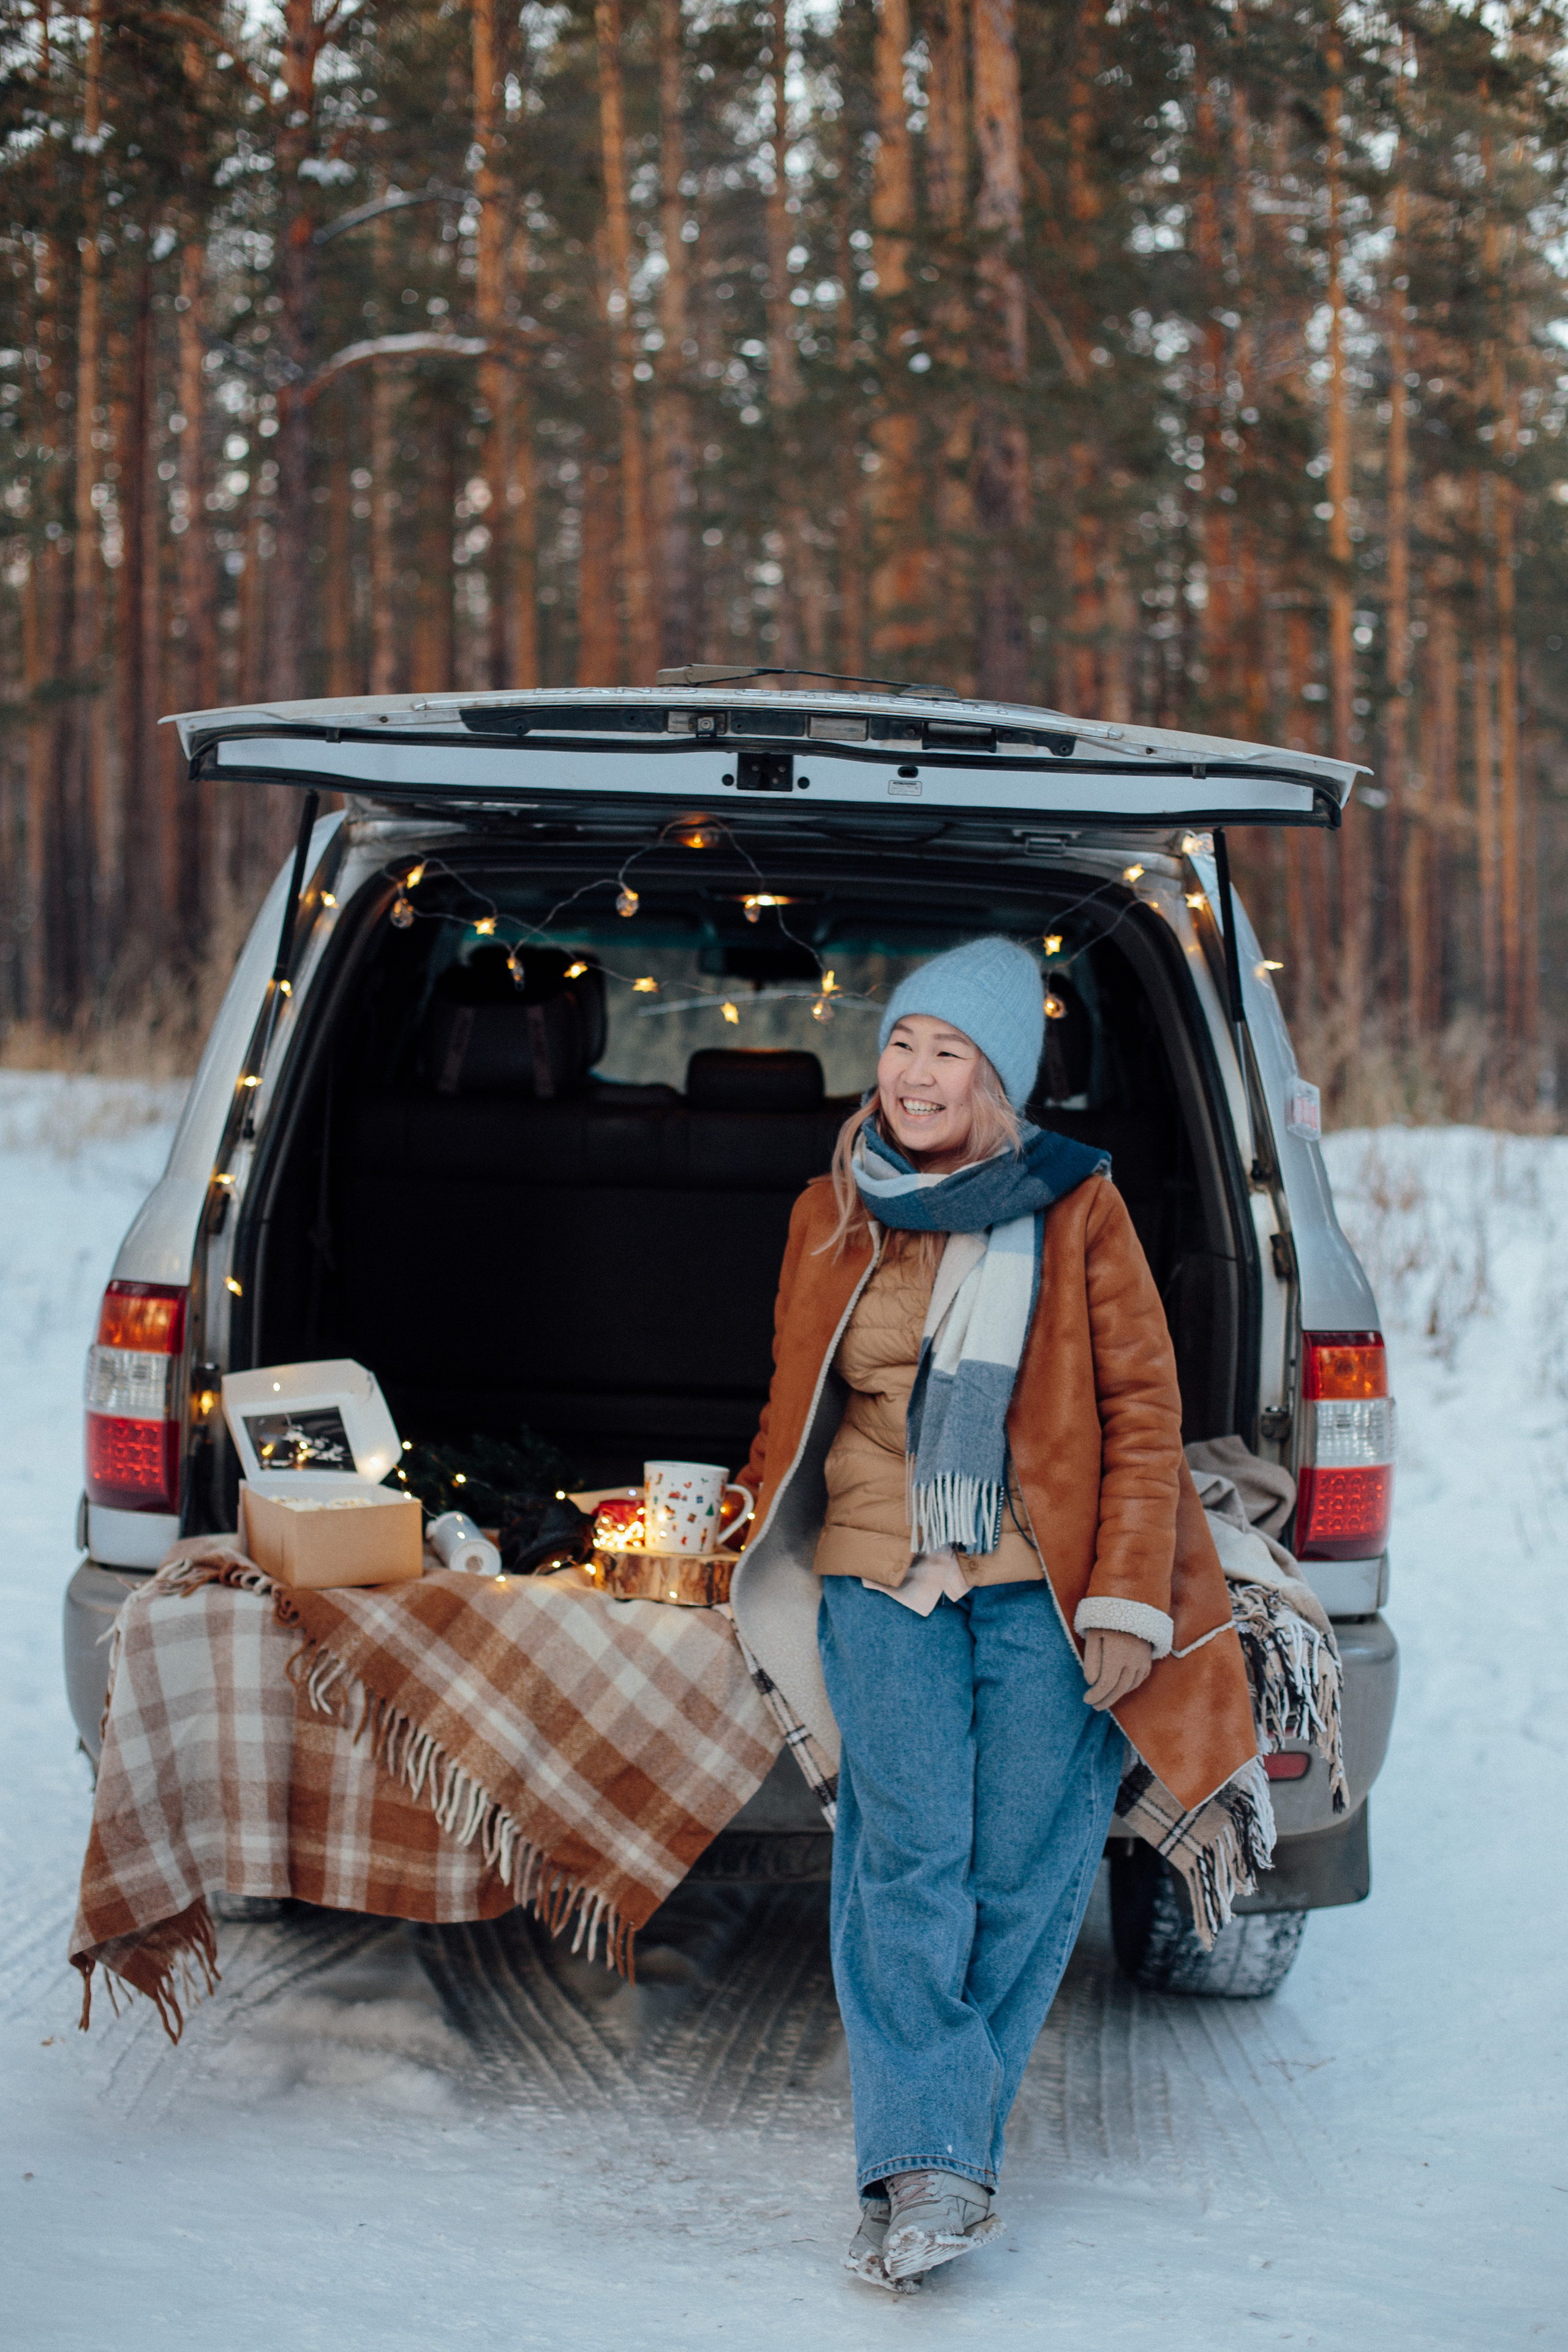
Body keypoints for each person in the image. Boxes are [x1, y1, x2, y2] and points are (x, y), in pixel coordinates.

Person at [729, 937, 1257, 2292]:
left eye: (947, 1052)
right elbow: (798, 1400)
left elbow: (1143, 1412)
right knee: (906, 1855)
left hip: (1043, 1571)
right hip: (873, 1565)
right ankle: (929, 2170)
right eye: (901, 1043)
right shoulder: (832, 1205)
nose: (913, 1074)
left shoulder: (1076, 1206)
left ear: (997, 1078)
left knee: (1023, 1861)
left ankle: (936, 2149)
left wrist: (1132, 1595)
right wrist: (734, 1523)